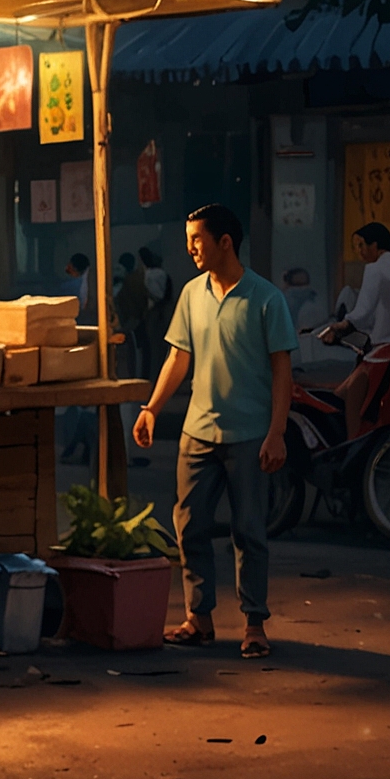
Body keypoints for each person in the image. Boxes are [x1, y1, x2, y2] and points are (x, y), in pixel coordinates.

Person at [133, 203, 295, 661]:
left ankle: (254, 622)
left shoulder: (266, 299)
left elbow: (282, 372)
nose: (190, 249)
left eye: (198, 240)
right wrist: (151, 408)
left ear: (226, 242)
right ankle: (198, 619)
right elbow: (178, 358)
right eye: (188, 240)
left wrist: (276, 432)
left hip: (249, 433)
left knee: (249, 530)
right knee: (189, 527)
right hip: (197, 431)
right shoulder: (190, 293)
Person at [322, 222, 390, 433]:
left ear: (375, 245)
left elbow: (363, 312)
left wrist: (343, 325)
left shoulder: (375, 269)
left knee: (349, 399)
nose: (359, 252)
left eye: (361, 245)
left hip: (385, 353)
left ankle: (352, 447)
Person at [114, 251, 150, 378]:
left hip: (126, 324)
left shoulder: (119, 279)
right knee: (136, 356)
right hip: (133, 323)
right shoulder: (135, 279)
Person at [140, 245, 172, 370]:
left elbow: (157, 295)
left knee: (154, 346)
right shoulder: (161, 273)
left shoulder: (150, 275)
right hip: (160, 312)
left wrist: (146, 293)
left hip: (155, 312)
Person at [66, 252, 95, 323]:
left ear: (75, 267)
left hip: (90, 316)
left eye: (71, 268)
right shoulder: (82, 278)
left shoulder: (91, 276)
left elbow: (91, 297)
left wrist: (85, 313)